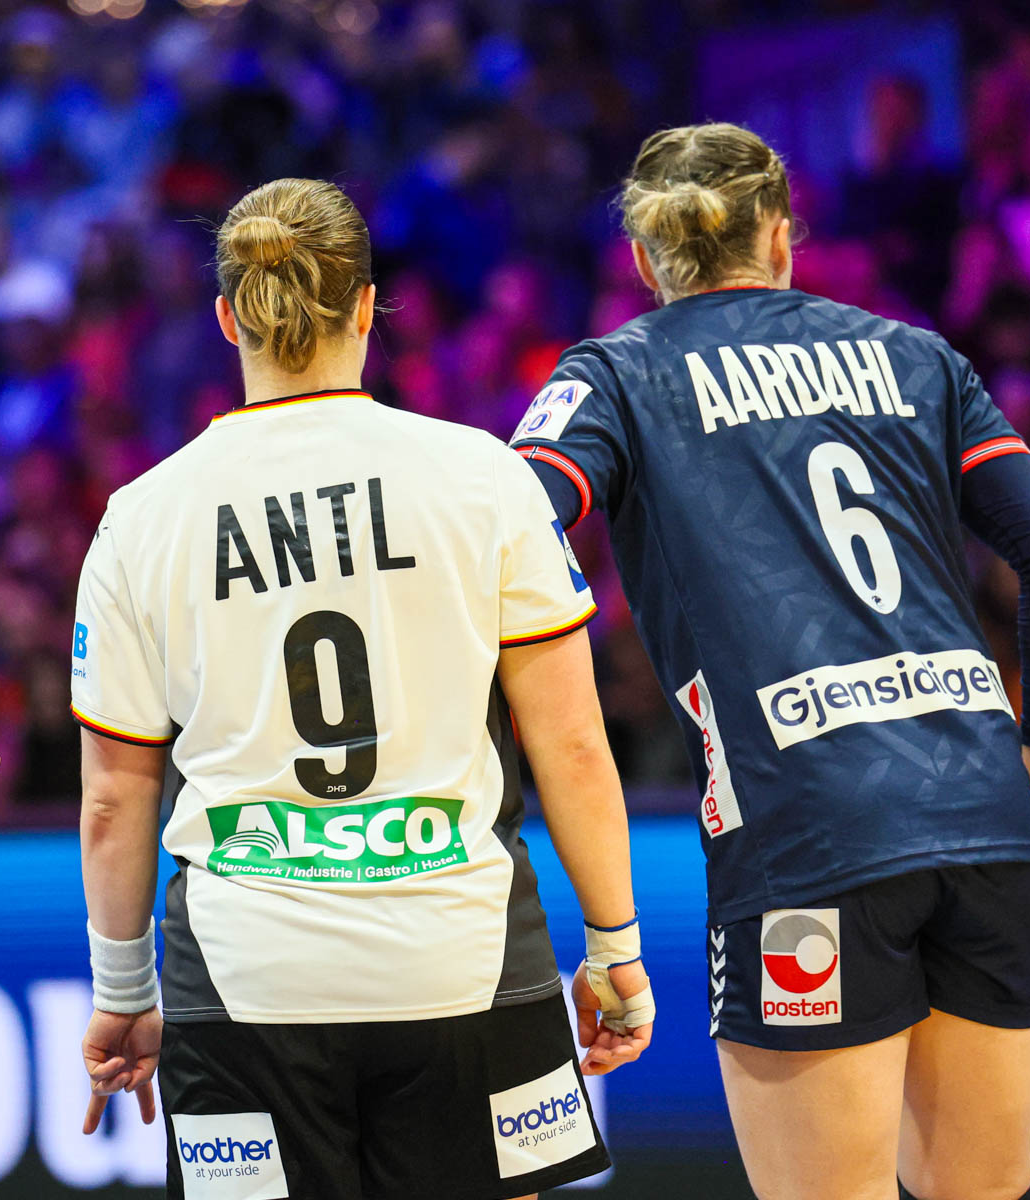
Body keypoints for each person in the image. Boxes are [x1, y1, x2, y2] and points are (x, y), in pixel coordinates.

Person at [512, 123, 1030, 1200]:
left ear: (646, 259)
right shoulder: (915, 356)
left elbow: (512, 519)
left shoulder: (619, 374)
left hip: (803, 823)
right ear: (779, 234)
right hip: (981, 811)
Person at [73, 178, 654, 1200]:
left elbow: (114, 797)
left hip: (245, 972)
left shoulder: (140, 516)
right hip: (459, 956)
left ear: (224, 318)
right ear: (364, 307)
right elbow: (568, 743)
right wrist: (613, 947)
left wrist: (123, 992)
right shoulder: (482, 478)